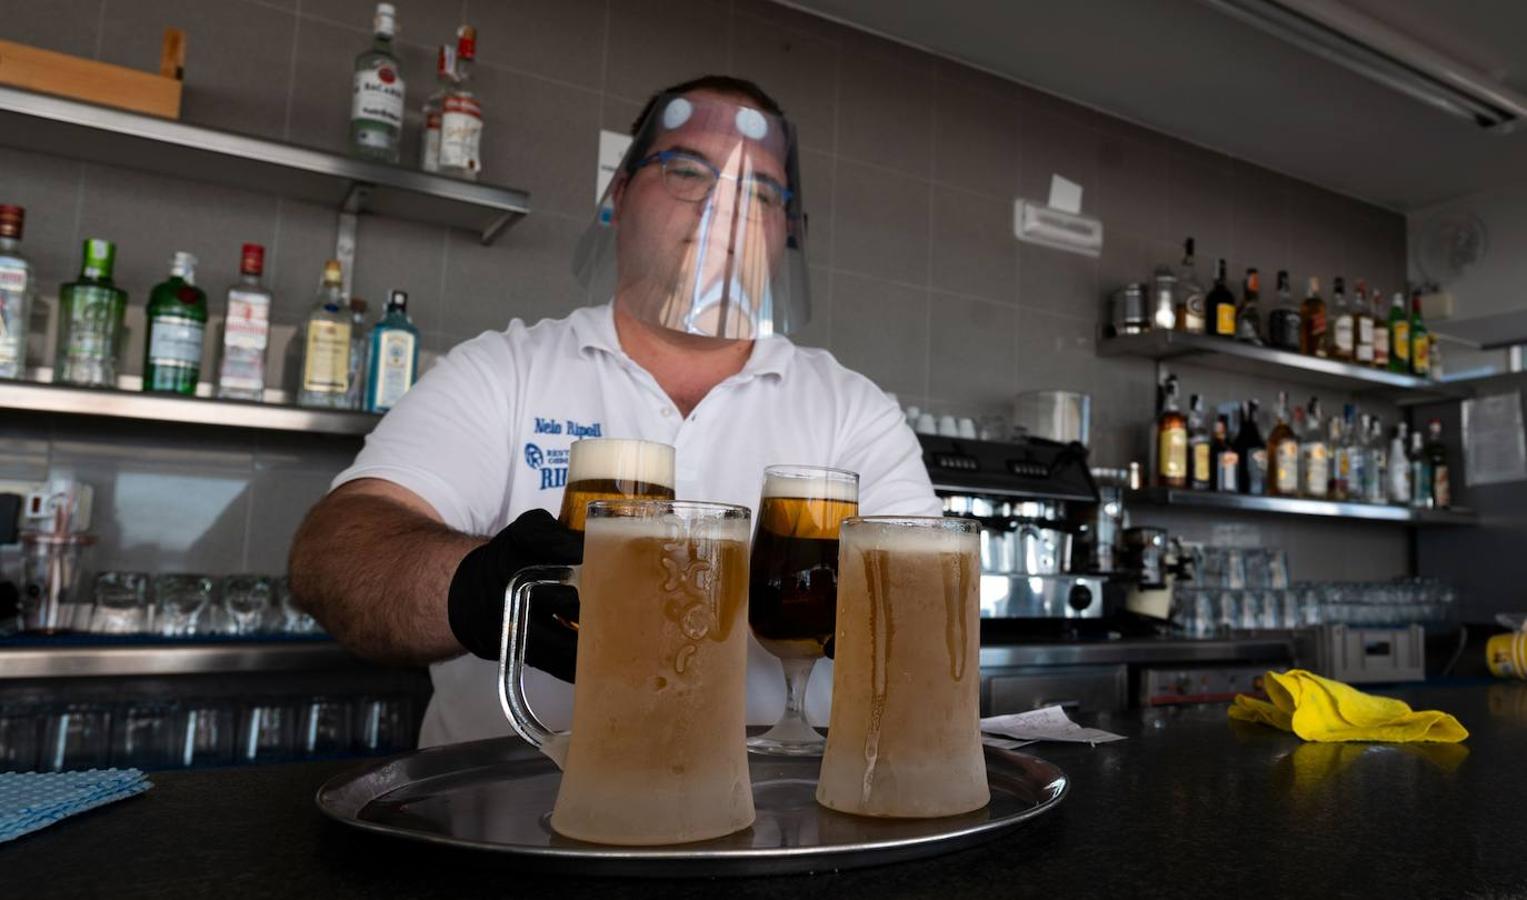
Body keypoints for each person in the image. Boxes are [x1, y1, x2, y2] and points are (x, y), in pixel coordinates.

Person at [289, 75, 941, 748]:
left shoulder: (851, 408)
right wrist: (473, 587)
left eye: (760, 192)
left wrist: (884, 611)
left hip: (780, 820)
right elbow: (336, 554)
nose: (724, 208)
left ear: (785, 233)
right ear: (619, 195)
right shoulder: (504, 370)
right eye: (688, 172)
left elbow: (924, 615)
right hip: (509, 813)